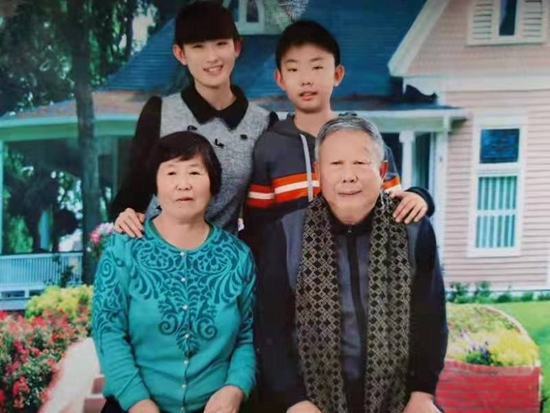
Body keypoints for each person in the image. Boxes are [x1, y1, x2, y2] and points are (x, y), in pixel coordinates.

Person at [256, 116, 448, 413]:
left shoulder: (412, 229)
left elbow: (431, 319)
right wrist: (295, 401)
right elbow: (270, 330)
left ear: (381, 170)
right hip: (307, 400)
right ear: (318, 172)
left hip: (399, 396)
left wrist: (422, 394)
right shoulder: (287, 232)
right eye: (336, 164)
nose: (348, 176)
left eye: (360, 163)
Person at [93, 132, 256, 413]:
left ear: (213, 184)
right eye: (171, 173)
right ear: (155, 186)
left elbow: (247, 336)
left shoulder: (238, 257)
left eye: (194, 172)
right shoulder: (124, 247)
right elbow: (108, 330)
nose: (183, 184)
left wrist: (235, 388)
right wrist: (137, 402)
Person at [243, 20, 434, 250]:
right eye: (293, 69)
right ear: (280, 79)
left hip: (361, 268)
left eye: (317, 67)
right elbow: (258, 228)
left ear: (337, 74)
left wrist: (419, 196)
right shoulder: (269, 148)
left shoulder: (366, 140)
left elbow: (393, 207)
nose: (306, 79)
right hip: (290, 270)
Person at [110, 1, 276, 237]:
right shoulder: (159, 112)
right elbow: (131, 194)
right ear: (181, 54)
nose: (212, 57)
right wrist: (125, 214)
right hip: (156, 251)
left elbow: (262, 212)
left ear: (236, 47)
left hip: (224, 255)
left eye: (221, 44)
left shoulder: (263, 123)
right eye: (198, 47)